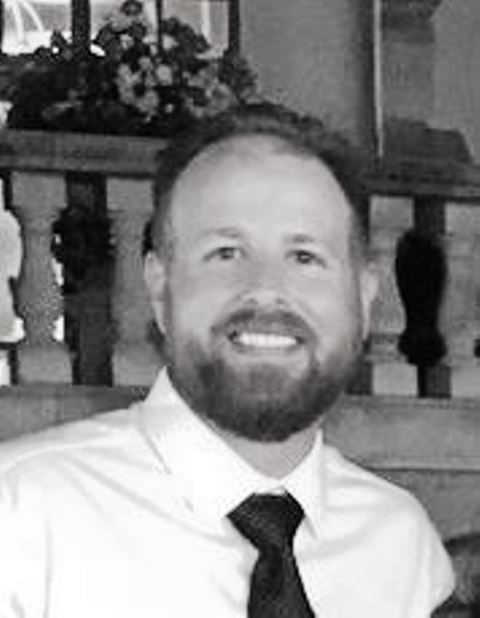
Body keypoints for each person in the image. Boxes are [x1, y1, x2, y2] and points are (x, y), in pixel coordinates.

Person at [0, 104, 454, 617]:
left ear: (364, 296)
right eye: (226, 253)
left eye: (304, 257)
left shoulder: (400, 546)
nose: (265, 290)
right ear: (159, 287)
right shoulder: (18, 525)